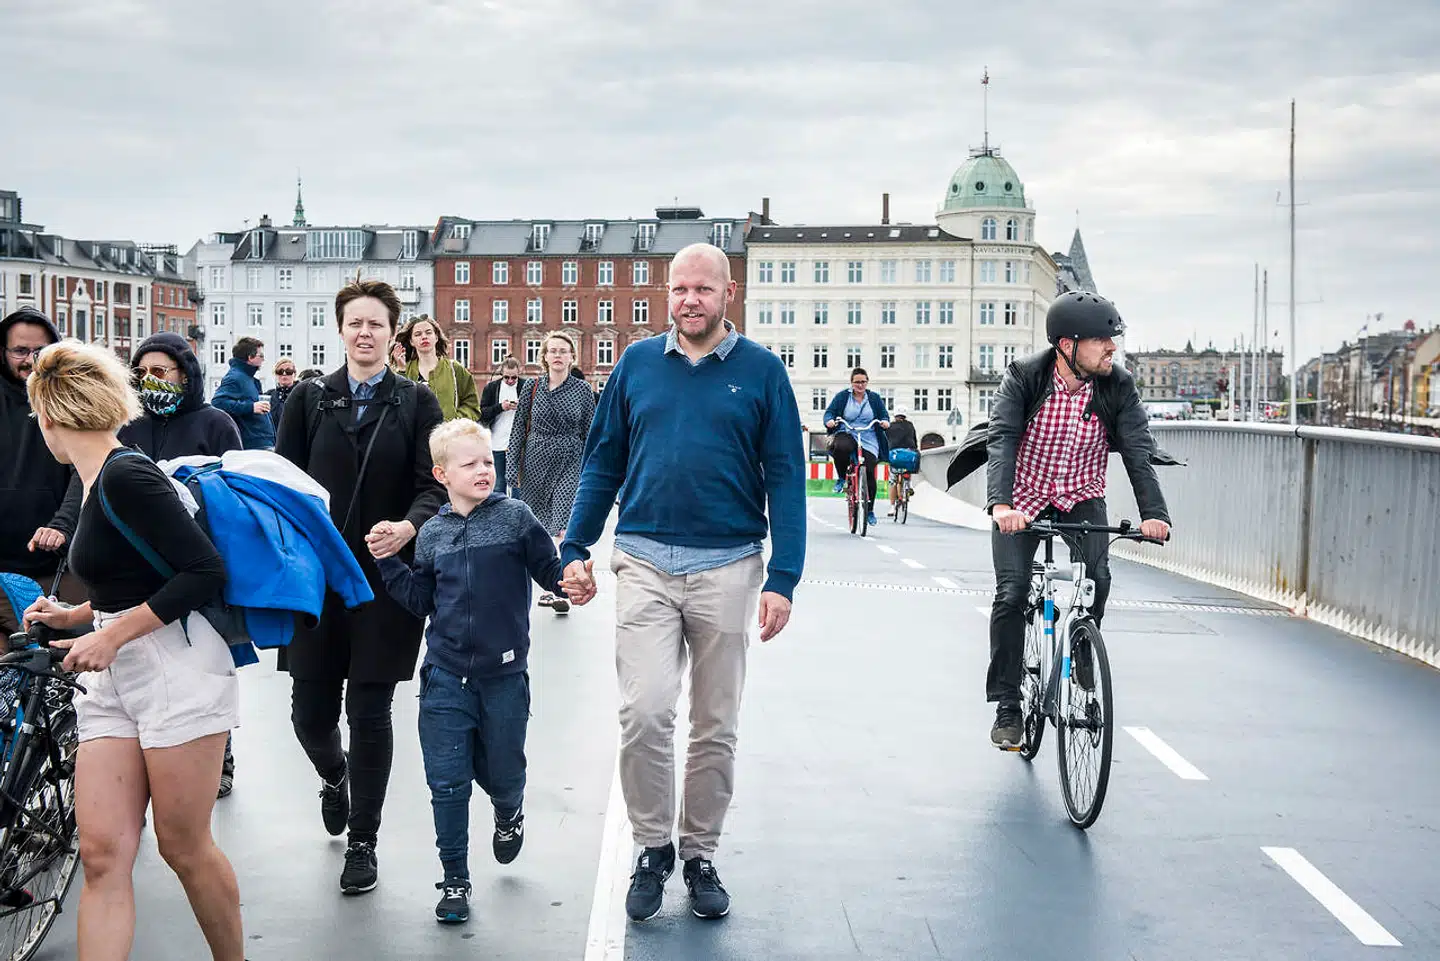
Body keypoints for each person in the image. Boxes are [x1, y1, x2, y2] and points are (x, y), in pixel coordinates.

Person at [558, 243, 806, 923]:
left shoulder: (761, 374)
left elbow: (786, 477)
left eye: (702, 288)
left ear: (729, 294)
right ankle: (651, 847)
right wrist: (574, 542)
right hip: (642, 559)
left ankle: (699, 853)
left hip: (728, 564)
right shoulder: (637, 365)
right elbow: (602, 462)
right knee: (645, 711)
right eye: (677, 289)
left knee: (715, 721)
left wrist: (783, 576)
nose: (688, 300)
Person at [20, 340, 244, 961]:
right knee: (101, 855)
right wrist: (78, 614)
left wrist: (112, 633)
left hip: (176, 666)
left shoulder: (126, 475)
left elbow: (204, 572)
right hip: (117, 673)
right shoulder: (98, 481)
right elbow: (135, 579)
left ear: (51, 417)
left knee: (183, 846)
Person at [274, 278, 446, 896]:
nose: (365, 333)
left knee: (370, 712)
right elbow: (281, 484)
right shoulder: (307, 400)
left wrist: (409, 527)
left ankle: (364, 842)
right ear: (341, 330)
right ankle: (332, 774)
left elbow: (434, 485)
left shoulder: (417, 403)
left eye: (376, 323)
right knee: (310, 716)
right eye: (355, 323)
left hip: (386, 581)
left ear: (391, 332)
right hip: (317, 583)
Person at [373, 419, 576, 925]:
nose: (484, 470)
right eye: (470, 464)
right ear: (442, 473)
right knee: (447, 783)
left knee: (503, 774)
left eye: (487, 461)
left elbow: (549, 571)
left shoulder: (516, 519)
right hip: (443, 678)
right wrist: (389, 563)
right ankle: (455, 880)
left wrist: (570, 579)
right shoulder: (433, 533)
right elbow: (422, 600)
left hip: (505, 679)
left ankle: (509, 812)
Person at [985, 291, 1171, 749]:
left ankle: (1084, 648)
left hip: (1081, 495)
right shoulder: (1024, 377)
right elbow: (1003, 438)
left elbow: (1137, 450)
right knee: (1011, 594)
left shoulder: (1118, 386)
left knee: (1099, 578)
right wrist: (1001, 505)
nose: (1112, 348)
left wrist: (1154, 515)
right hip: (1024, 497)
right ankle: (1008, 705)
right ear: (1067, 345)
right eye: (1103, 340)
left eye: (1113, 340)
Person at [121, 331, 243, 798]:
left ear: (184, 374)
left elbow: (234, 494)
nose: (150, 380)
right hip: (137, 559)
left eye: (160, 371)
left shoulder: (215, 423)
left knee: (205, 663)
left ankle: (221, 753)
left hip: (198, 560)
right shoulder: (128, 425)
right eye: (142, 373)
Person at [0, 307, 85, 634]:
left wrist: (63, 524)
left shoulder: (69, 401)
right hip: (3, 565)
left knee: (64, 666)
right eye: (20, 351)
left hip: (59, 565)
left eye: (41, 351)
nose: (30, 360)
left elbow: (86, 468)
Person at [505, 332, 595, 614]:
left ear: (571, 357)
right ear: (543, 357)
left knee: (564, 523)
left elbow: (592, 431)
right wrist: (511, 467)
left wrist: (593, 468)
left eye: (563, 351)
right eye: (552, 351)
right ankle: (547, 587)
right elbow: (519, 428)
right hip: (534, 461)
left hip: (570, 458)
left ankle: (564, 580)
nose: (557, 355)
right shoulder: (531, 387)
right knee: (539, 526)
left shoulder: (582, 390)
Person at [823, 368, 891, 527]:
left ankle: (870, 510)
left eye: (863, 382)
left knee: (869, 470)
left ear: (867, 382)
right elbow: (830, 412)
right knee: (841, 447)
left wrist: (885, 422)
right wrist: (829, 421)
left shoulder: (874, 398)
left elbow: (883, 414)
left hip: (868, 435)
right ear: (851, 383)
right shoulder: (843, 397)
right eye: (857, 382)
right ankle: (841, 478)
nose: (860, 385)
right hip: (847, 431)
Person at [397, 315, 481, 422]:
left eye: (428, 332)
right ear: (411, 341)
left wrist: (455, 422)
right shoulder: (403, 370)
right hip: (414, 437)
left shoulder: (455, 369)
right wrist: (402, 371)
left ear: (436, 337)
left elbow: (472, 405)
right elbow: (396, 406)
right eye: (418, 334)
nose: (424, 337)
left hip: (447, 436)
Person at [211, 336, 275, 450]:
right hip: (253, 444)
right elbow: (218, 403)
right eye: (261, 356)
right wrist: (251, 407)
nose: (263, 360)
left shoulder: (249, 378)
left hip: (261, 441)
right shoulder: (235, 377)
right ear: (250, 357)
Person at [478, 356, 523, 496]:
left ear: (519, 373)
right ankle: (500, 515)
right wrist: (500, 407)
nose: (510, 381)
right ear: (501, 375)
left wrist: (521, 407)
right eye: (506, 377)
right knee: (498, 483)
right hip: (496, 441)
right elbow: (482, 413)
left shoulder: (525, 386)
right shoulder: (492, 388)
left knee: (517, 484)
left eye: (514, 378)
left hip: (519, 443)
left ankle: (517, 514)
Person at [885, 407, 919, 514]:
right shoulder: (910, 425)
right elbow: (914, 440)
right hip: (909, 454)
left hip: (895, 455)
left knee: (893, 481)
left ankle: (892, 507)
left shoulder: (890, 426)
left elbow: (886, 441)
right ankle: (909, 485)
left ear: (895, 416)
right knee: (908, 470)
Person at [266, 357, 299, 432]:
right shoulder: (269, 395)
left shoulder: (300, 393)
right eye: (280, 371)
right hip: (274, 438)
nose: (284, 374)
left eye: (288, 371)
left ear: (294, 374)